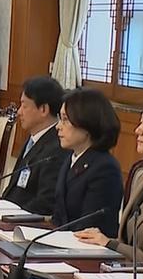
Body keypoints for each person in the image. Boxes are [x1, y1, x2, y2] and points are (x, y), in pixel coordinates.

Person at [75, 91, 143, 266]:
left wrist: (110, 244)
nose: (137, 130)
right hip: (121, 275)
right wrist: (105, 242)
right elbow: (127, 241)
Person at [53, 88, 123, 237]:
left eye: (65, 119)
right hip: (63, 244)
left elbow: (90, 225)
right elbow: (59, 216)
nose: (58, 126)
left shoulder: (105, 168)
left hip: (87, 250)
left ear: (86, 124)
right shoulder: (71, 159)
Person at [2, 76, 68, 215]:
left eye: (24, 106)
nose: (19, 112)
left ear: (43, 109)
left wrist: (8, 217)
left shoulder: (57, 148)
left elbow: (45, 202)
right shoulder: (33, 138)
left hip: (23, 222)